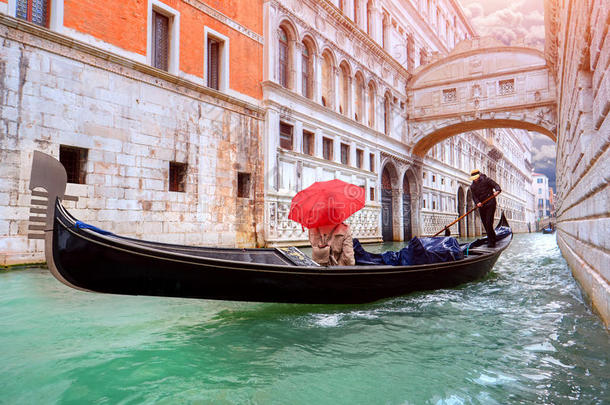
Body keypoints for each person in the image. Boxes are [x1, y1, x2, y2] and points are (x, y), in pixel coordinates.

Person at [469, 169, 501, 247]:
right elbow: (474, 196)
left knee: (489, 222)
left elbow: (497, 186)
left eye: (476, 178)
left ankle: (491, 241)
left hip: (490, 203)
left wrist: (497, 191)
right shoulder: (472, 186)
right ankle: (492, 237)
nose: (475, 180)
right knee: (485, 224)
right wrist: (477, 203)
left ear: (479, 175)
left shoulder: (487, 180)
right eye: (474, 178)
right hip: (482, 206)